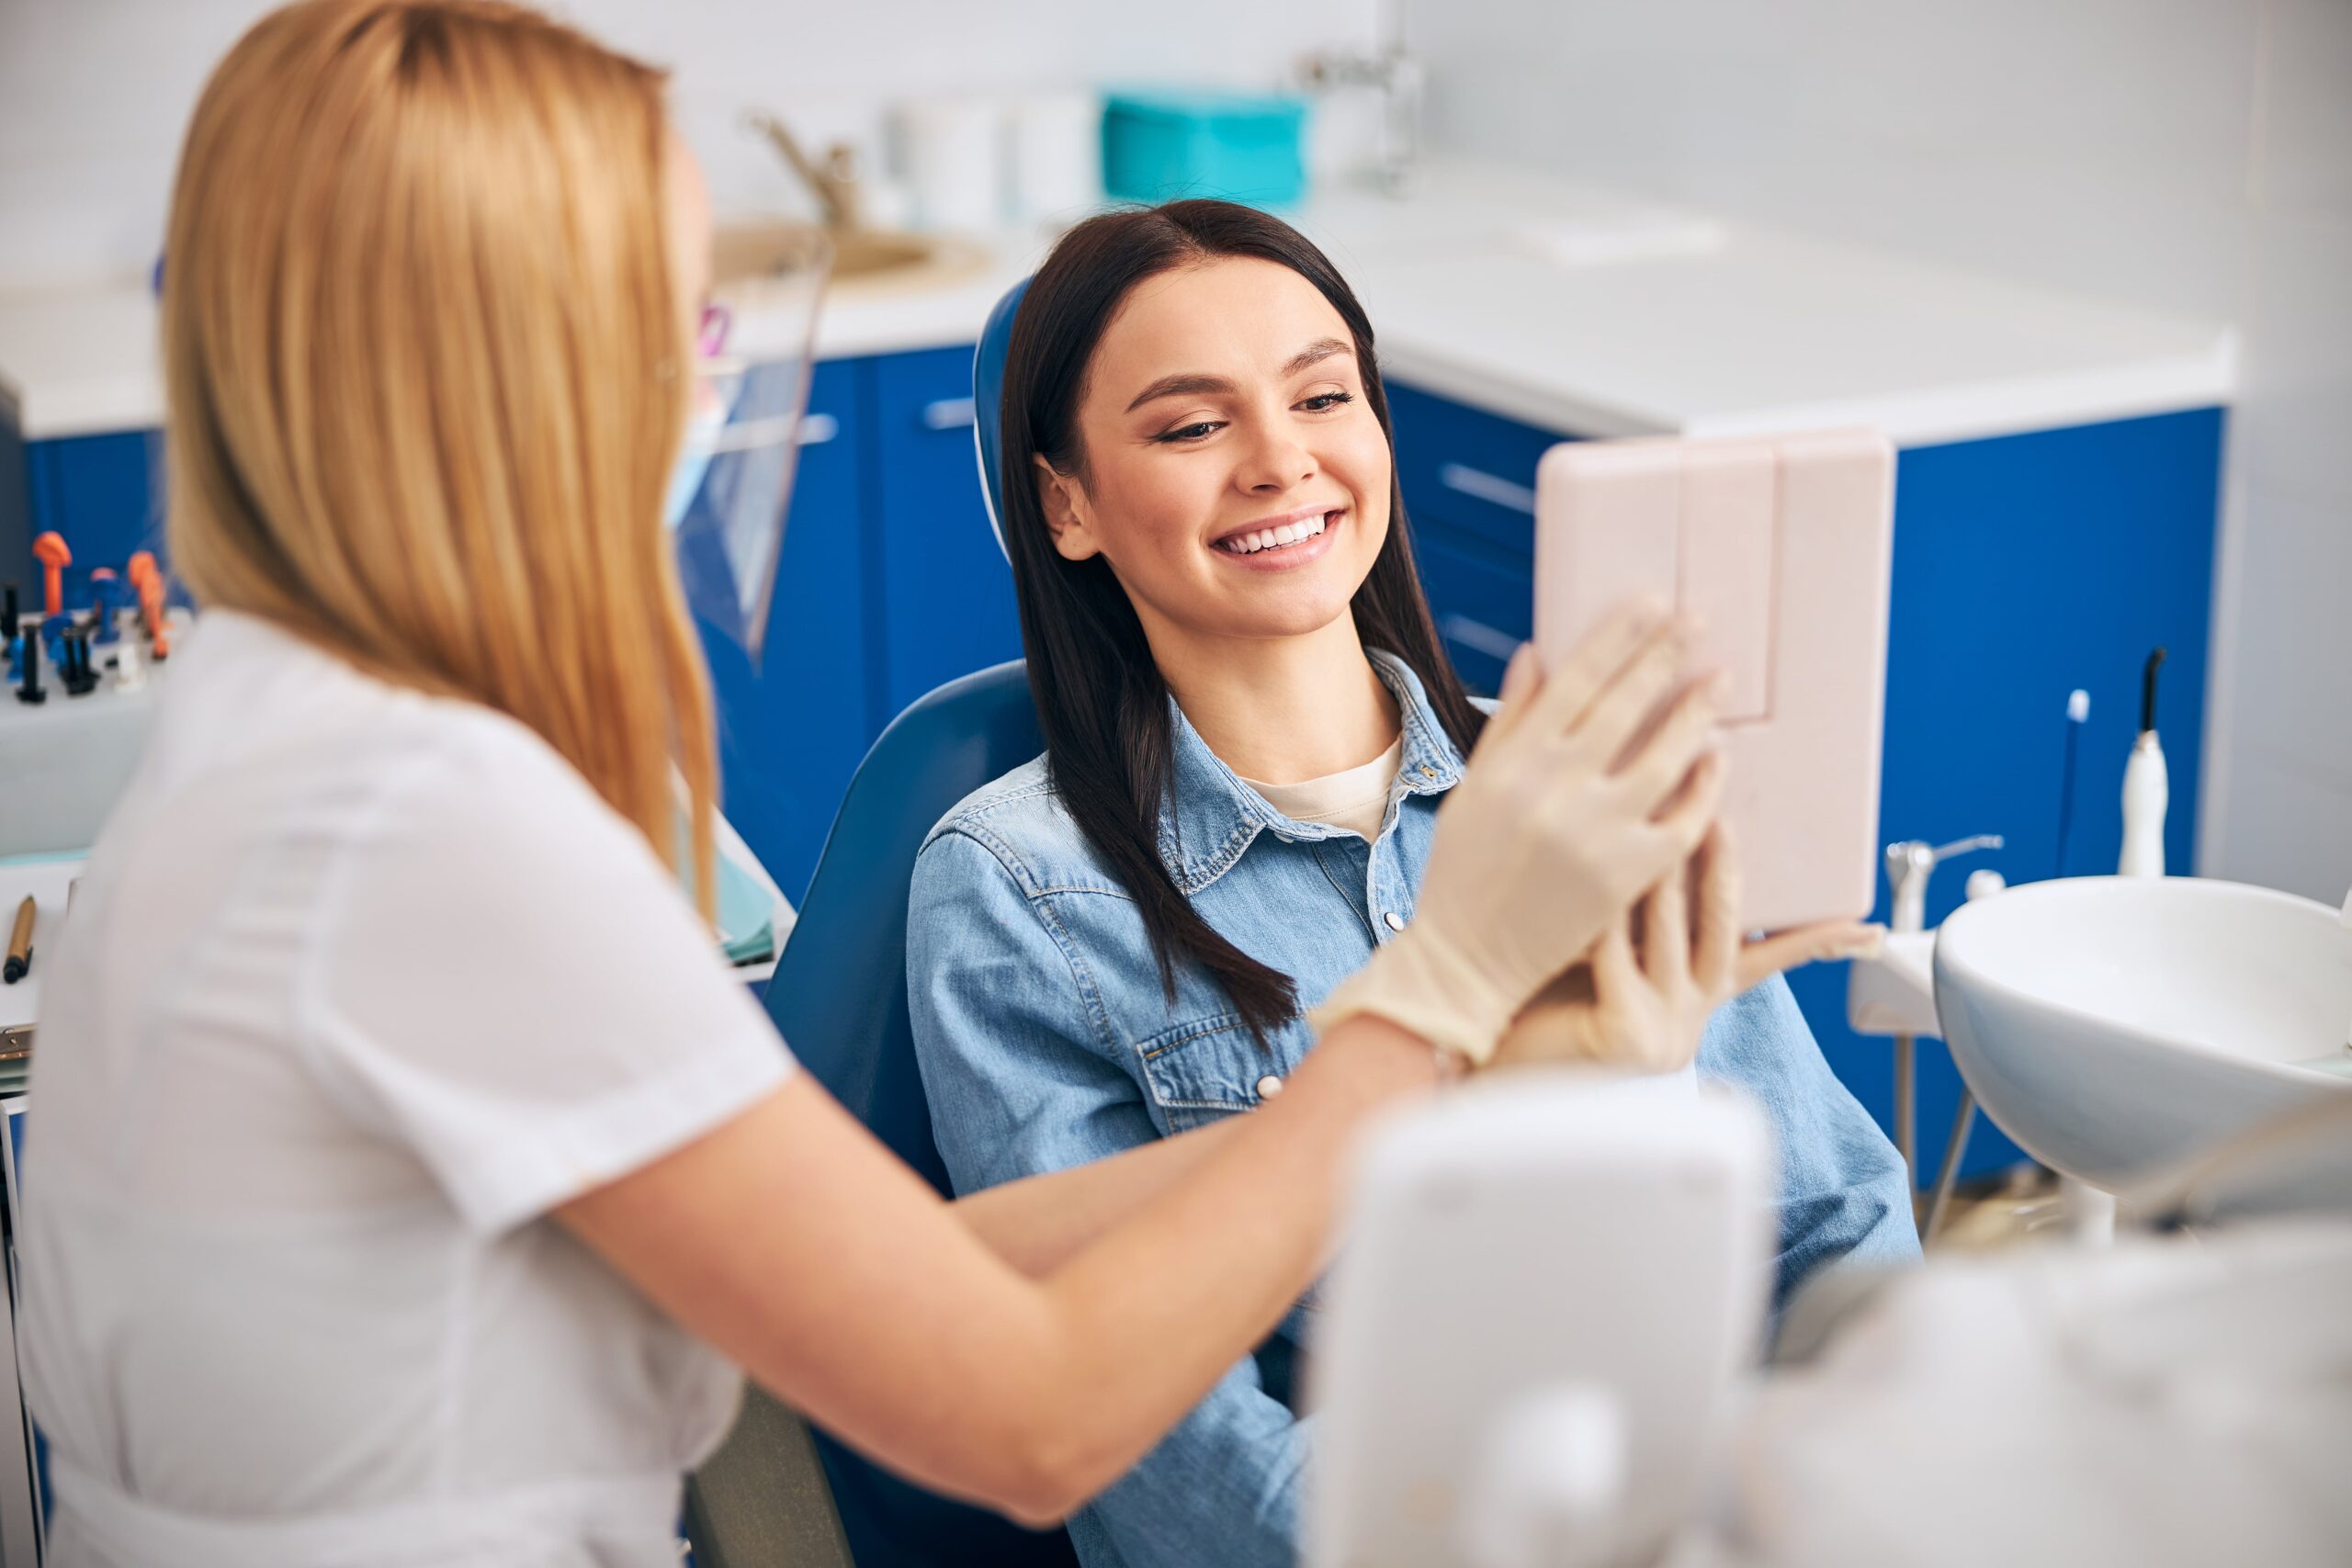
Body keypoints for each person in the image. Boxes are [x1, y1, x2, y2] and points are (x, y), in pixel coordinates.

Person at [17, 6, 1739, 1564]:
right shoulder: (433, 832)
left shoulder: (281, 731)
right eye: (674, 316)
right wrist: (1424, 1009)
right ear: (516, 376)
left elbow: (891, 1266)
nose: (699, 377)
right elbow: (1039, 1417)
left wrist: (1448, 1089)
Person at [906, 199, 1920, 1568]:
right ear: (1067, 504)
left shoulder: (1579, 784)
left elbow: (1834, 1224)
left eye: (1323, 396)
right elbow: (1165, 1461)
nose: (1281, 461)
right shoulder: (1020, 888)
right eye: (1192, 425)